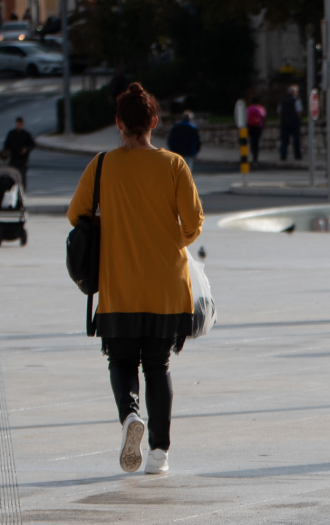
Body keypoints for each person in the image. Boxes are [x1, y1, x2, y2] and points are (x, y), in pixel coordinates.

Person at [67, 83, 204, 475]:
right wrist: (167, 240)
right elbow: (193, 224)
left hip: (119, 284)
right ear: (154, 123)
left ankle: (130, 417)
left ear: (118, 124)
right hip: (165, 286)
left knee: (122, 360)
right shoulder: (174, 165)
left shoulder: (102, 165)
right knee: (157, 366)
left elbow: (76, 214)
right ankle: (159, 454)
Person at [3, 118, 35, 190]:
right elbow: (7, 144)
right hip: (13, 159)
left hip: (22, 160)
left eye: (19, 125)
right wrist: (5, 151)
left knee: (22, 177)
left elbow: (32, 145)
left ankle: (22, 191)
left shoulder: (26, 134)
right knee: (11, 176)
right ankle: (11, 191)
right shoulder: (11, 134)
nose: (17, 126)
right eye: (16, 124)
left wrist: (26, 149)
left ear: (22, 125)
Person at [278, 85, 302, 161]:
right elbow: (299, 111)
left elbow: (279, 112)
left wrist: (283, 119)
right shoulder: (296, 100)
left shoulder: (282, 100)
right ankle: (297, 155)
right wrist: (298, 119)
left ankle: (283, 155)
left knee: (284, 140)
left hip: (284, 122)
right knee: (296, 140)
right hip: (294, 122)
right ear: (293, 92)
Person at [246, 96, 267, 165]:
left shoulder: (249, 108)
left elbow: (246, 117)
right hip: (258, 127)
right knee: (256, 142)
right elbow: (263, 117)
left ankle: (252, 154)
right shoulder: (260, 108)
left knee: (252, 141)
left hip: (250, 127)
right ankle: (255, 158)